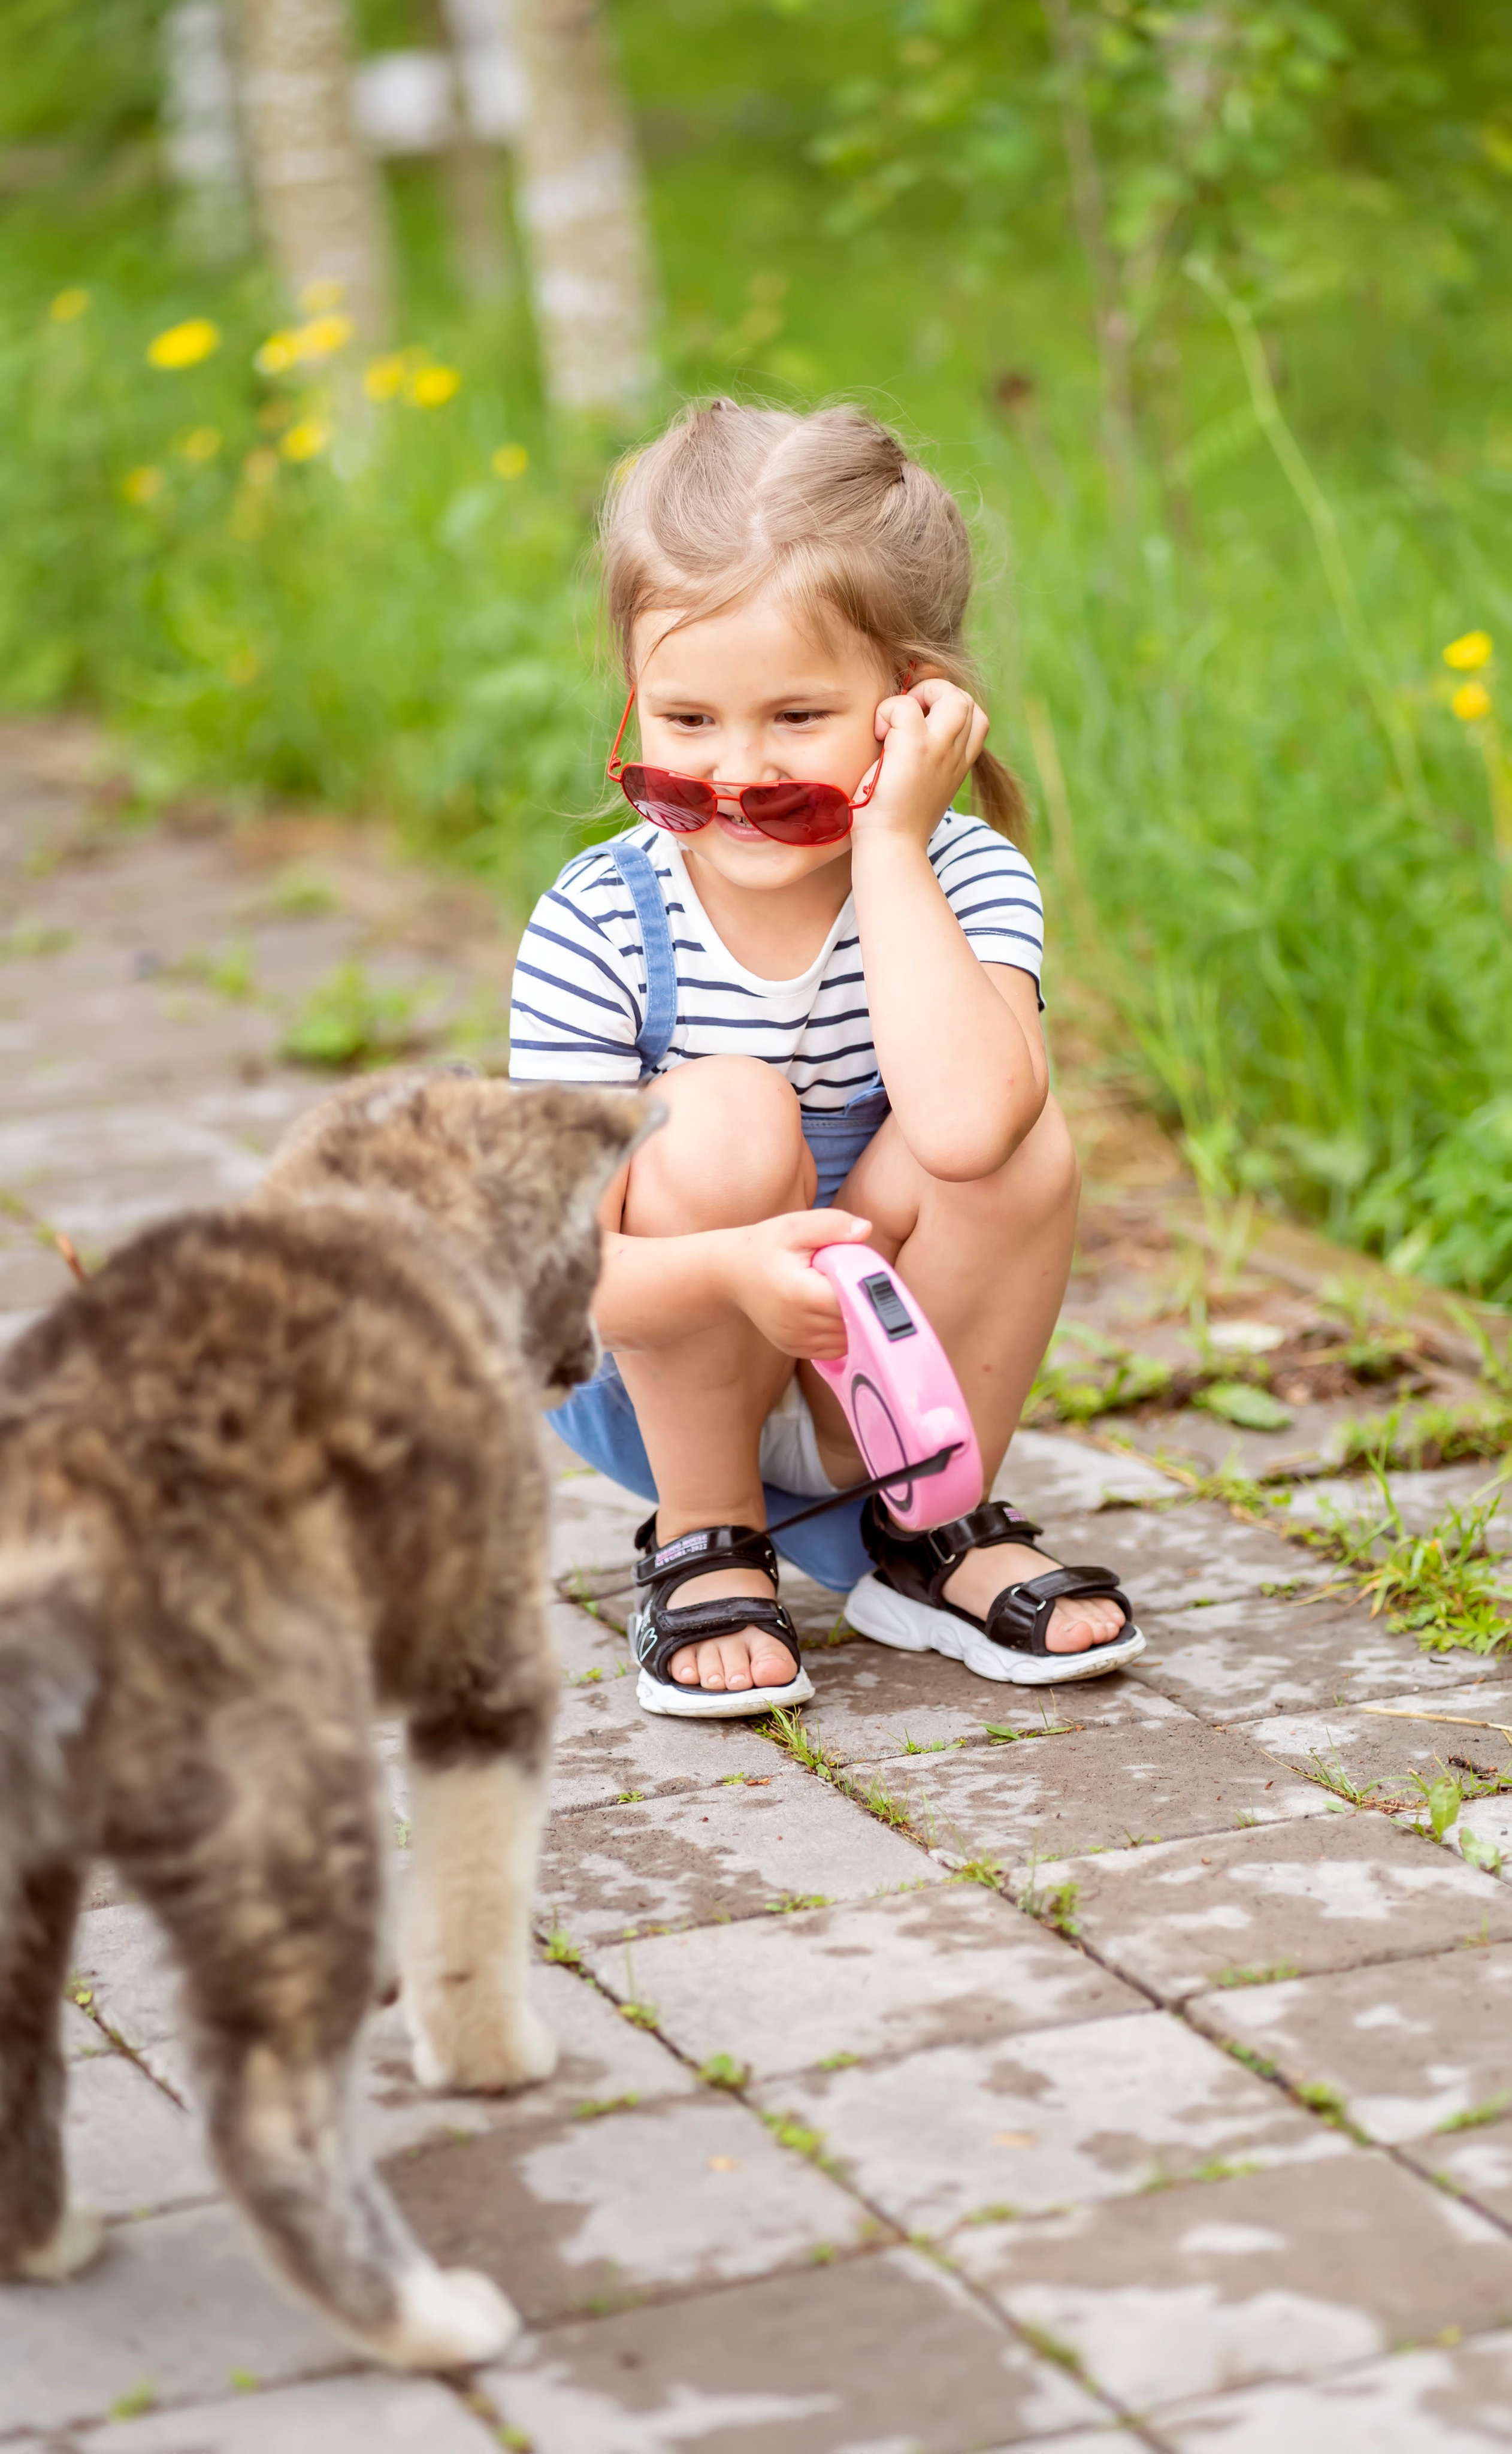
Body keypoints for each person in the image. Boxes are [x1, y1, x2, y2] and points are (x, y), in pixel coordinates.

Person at [509, 398, 1143, 1719]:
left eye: (796, 717)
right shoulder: (598, 918)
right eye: (684, 721)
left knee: (1022, 1134)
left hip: (880, 1377)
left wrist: (895, 848)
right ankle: (707, 1535)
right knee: (724, 1113)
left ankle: (920, 1529)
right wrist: (728, 1271)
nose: (736, 774)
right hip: (660, 1351)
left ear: (916, 709)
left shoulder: (962, 875)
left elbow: (968, 1132)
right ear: (632, 694)